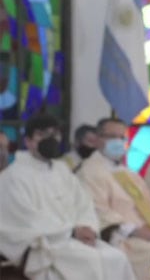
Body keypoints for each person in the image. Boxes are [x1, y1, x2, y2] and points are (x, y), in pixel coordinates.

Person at [0, 114, 136, 280]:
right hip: (45, 246)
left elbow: (84, 205)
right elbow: (27, 220)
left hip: (76, 240)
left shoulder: (62, 171)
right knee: (90, 262)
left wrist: (88, 228)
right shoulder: (13, 176)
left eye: (55, 134)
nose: (51, 139)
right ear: (28, 141)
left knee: (117, 259)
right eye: (43, 134)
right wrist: (71, 232)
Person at [77, 117, 150, 280]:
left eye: (122, 137)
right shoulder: (89, 171)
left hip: (149, 235)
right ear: (97, 139)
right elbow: (99, 212)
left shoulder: (128, 174)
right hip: (122, 239)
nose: (118, 142)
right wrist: (140, 231)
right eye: (112, 136)